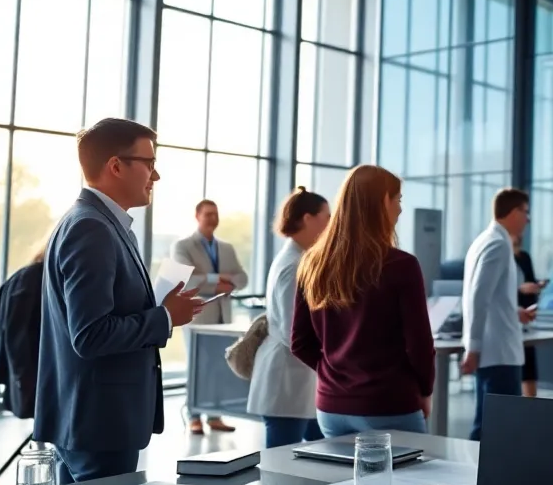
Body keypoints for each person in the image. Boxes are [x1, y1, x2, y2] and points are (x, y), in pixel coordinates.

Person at [26, 118, 203, 485]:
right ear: (115, 166)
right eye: (149, 162)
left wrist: (159, 307)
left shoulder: (96, 224)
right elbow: (91, 334)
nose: (156, 175)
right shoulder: (91, 229)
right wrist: (164, 318)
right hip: (100, 422)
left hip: (87, 417)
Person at [291, 166, 435, 438]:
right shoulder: (402, 265)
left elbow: (300, 342)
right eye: (398, 199)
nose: (400, 209)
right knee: (410, 469)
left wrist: (334, 376)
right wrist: (424, 390)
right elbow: (419, 344)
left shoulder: (313, 262)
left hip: (331, 408)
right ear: (382, 203)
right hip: (388, 403)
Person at [246, 187, 331, 449]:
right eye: (326, 217)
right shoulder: (294, 264)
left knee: (325, 446)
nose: (331, 225)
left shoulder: (299, 259)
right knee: (280, 457)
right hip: (286, 376)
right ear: (308, 218)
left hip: (298, 377)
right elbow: (292, 328)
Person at [461, 189, 536, 440]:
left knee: (488, 425)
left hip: (494, 351)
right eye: (525, 212)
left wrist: (515, 312)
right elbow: (478, 296)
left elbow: (490, 297)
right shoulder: (499, 244)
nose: (527, 219)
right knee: (497, 430)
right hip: (499, 353)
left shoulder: (485, 240)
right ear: (513, 212)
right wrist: (473, 347)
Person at [172, 198, 249, 434]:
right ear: (197, 216)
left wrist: (215, 279)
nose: (212, 218)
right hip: (196, 317)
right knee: (197, 366)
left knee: (217, 367)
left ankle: (215, 415)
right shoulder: (183, 246)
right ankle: (194, 416)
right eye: (208, 214)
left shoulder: (226, 248)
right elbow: (186, 279)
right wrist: (217, 280)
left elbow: (242, 278)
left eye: (215, 214)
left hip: (222, 317)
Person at [0, 247, 45, 420]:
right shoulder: (33, 279)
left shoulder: (25, 277)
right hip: (29, 372)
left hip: (23, 372)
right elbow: (16, 334)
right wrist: (23, 379)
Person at [513, 233, 545, 397]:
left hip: (528, 313)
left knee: (529, 359)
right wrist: (520, 289)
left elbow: (530, 280)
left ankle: (530, 401)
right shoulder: (504, 258)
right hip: (512, 313)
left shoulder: (524, 257)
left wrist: (537, 285)